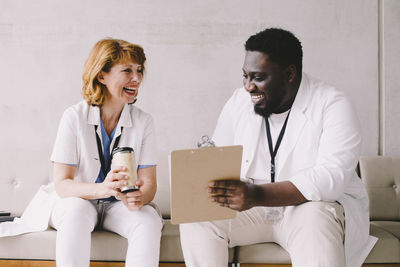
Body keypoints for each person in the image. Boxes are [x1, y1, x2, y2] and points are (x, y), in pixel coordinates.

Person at [179, 28, 376, 267]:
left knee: (316, 218)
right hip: (252, 209)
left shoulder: (332, 104)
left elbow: (330, 179)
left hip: (306, 207)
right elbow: (220, 153)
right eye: (245, 76)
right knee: (198, 219)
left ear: (289, 74)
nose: (248, 86)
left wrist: (257, 194)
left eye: (258, 77)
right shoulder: (239, 101)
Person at [49, 38, 162, 266]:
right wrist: (102, 188)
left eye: (139, 70)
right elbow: (62, 184)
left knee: (148, 219)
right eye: (127, 70)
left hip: (117, 206)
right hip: (80, 201)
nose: (137, 78)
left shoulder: (144, 121)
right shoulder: (74, 117)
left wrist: (140, 197)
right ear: (102, 75)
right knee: (75, 212)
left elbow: (149, 183)